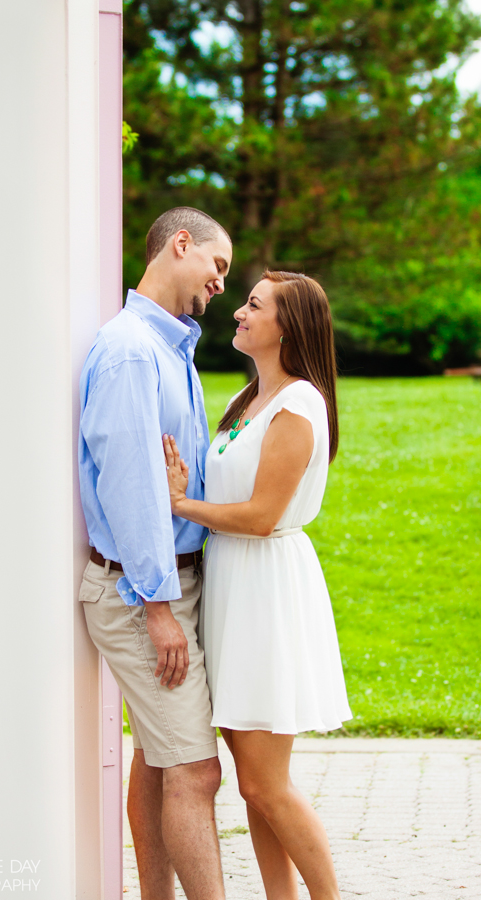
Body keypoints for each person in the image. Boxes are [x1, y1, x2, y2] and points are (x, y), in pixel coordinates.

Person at [163, 270, 352, 900]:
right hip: (232, 588)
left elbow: (262, 515)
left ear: (287, 326)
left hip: (268, 591)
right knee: (252, 780)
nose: (238, 312)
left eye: (253, 305)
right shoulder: (248, 400)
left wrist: (180, 504)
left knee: (266, 783)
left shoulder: (299, 404)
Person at [78, 207, 233, 900]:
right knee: (197, 772)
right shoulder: (134, 351)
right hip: (143, 593)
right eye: (218, 265)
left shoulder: (168, 349)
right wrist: (159, 606)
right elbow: (134, 488)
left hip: (163, 585)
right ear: (179, 245)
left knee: (161, 760)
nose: (221, 283)